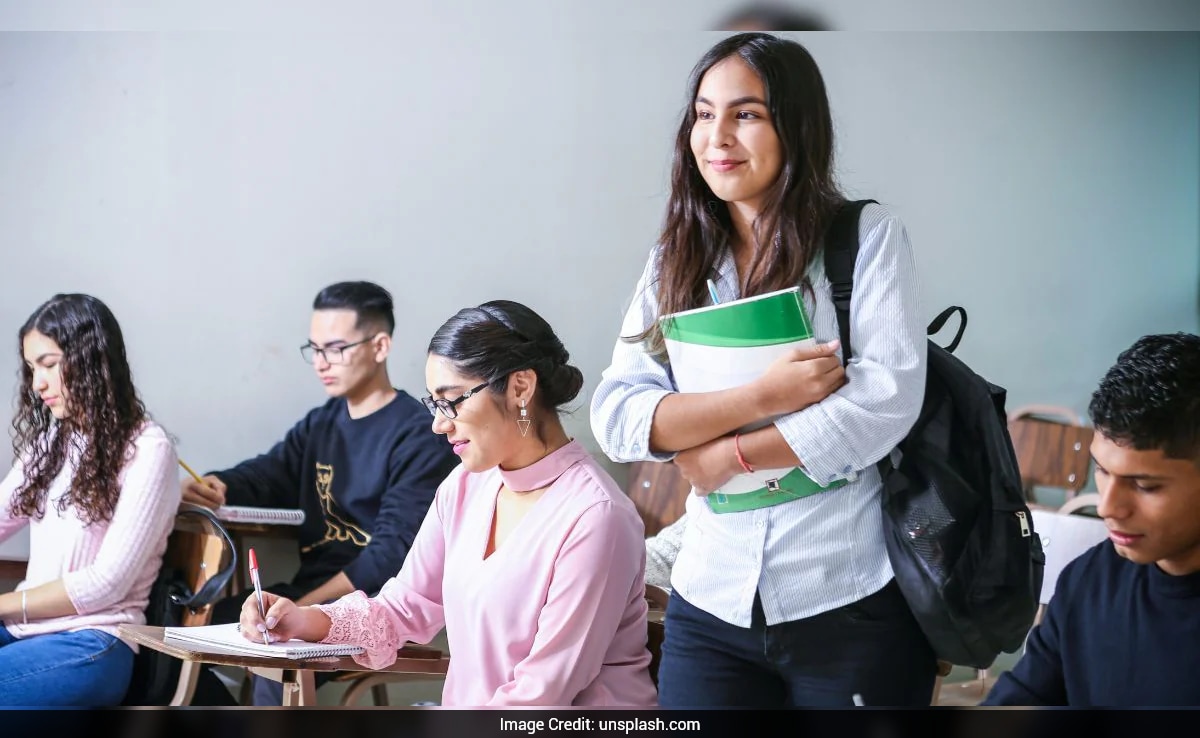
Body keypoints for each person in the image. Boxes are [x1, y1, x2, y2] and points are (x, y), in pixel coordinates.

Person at [589, 32, 936, 707]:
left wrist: (726, 458)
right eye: (703, 112)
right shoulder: (674, 259)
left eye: (746, 114)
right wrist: (763, 397)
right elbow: (618, 414)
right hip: (711, 598)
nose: (718, 135)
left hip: (846, 592)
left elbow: (882, 406)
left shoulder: (866, 238)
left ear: (796, 127)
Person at [237, 300, 657, 707]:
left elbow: (541, 694)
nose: (439, 424)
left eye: (452, 400)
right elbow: (402, 607)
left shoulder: (596, 518)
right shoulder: (464, 486)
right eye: (434, 403)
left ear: (520, 387)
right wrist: (303, 619)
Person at [180, 281, 457, 705]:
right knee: (188, 632)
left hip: (375, 606)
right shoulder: (322, 423)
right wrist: (216, 484)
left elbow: (389, 557)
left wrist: (303, 612)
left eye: (336, 349)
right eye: (315, 349)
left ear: (380, 345)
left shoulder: (418, 434)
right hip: (306, 592)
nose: (321, 363)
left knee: (276, 667)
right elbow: (271, 473)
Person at [982, 333, 1200, 707]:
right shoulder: (1088, 581)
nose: (1107, 507)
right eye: (1101, 470)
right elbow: (1025, 698)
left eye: (1145, 485)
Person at [0, 294, 180, 706]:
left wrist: (3, 604)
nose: (37, 383)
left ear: (90, 359)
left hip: (90, 643)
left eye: (48, 364)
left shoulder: (148, 449)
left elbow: (104, 584)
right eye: (31, 369)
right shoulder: (51, 442)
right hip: (25, 629)